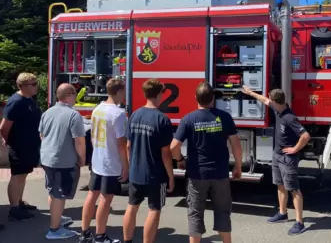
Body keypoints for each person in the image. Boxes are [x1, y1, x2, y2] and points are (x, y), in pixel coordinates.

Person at [171, 81, 243, 243]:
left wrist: (180, 160)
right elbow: (236, 146)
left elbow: (174, 146)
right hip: (220, 174)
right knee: (223, 211)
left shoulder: (188, 119)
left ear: (195, 98)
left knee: (195, 213)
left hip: (197, 174)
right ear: (213, 98)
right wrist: (238, 166)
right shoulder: (224, 117)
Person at [241, 86, 311, 235]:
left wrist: (294, 149)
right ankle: (282, 213)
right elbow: (264, 100)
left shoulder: (289, 117)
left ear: (275, 101)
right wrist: (250, 92)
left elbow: (305, 136)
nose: (269, 102)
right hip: (277, 155)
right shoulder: (277, 108)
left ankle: (300, 222)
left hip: (287, 158)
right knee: (280, 185)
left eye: (271, 101)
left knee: (294, 189)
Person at [122, 79, 174, 243]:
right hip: (155, 175)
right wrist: (171, 176)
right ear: (159, 94)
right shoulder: (162, 119)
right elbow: (166, 153)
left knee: (132, 207)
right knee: (154, 210)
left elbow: (128, 146)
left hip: (136, 173)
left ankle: (127, 240)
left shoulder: (135, 115)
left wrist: (131, 167)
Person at [80, 79, 128, 243]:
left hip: (98, 159)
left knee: (92, 195)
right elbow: (121, 145)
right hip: (110, 161)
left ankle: (85, 233)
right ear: (120, 91)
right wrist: (126, 166)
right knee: (106, 199)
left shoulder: (97, 109)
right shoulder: (118, 114)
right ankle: (100, 235)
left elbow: (93, 136)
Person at [39, 83, 86, 239]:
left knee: (52, 191)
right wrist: (82, 158)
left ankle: (56, 218)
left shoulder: (48, 112)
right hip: (63, 161)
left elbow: (42, 135)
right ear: (70, 95)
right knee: (60, 194)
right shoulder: (74, 115)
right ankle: (54, 229)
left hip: (47, 158)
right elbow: (79, 141)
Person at [0, 72, 42, 221]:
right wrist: (8, 140)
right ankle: (14, 209)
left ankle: (19, 201)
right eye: (33, 84)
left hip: (29, 146)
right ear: (23, 86)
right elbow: (4, 127)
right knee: (17, 176)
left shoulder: (29, 99)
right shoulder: (15, 102)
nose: (36, 86)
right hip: (19, 146)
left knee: (23, 175)